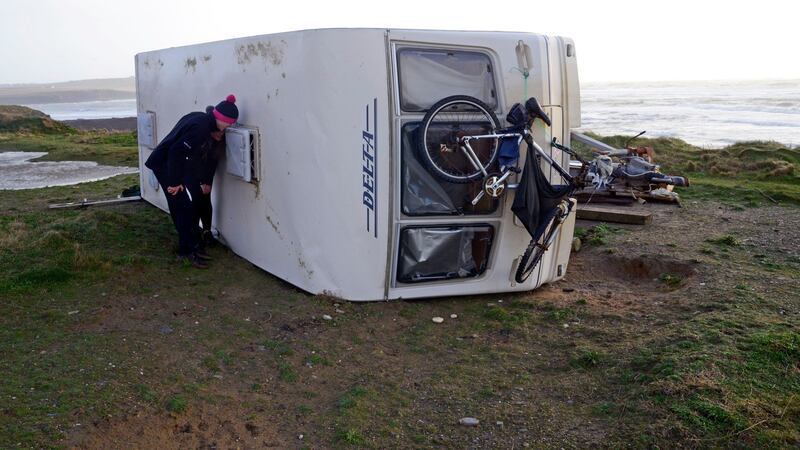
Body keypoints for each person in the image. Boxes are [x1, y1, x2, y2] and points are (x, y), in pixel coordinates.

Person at [145, 94, 239, 268]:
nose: (229, 127)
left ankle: (191, 248)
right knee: (183, 209)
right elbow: (175, 151)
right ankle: (186, 252)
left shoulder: (199, 117)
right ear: (222, 119)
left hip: (170, 163)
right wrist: (174, 182)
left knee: (184, 208)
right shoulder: (201, 129)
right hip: (165, 164)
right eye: (229, 123)